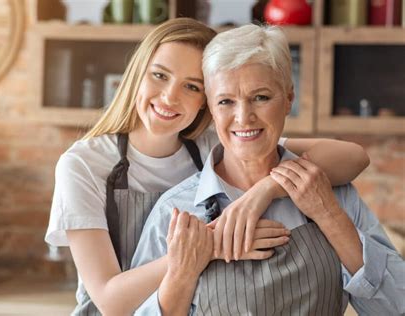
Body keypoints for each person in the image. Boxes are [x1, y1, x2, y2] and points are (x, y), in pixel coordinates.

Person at [45, 18, 370, 315]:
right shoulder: (83, 165)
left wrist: (266, 189)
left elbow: (352, 157)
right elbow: (109, 301)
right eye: (159, 75)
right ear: (136, 75)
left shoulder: (210, 144)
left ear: (209, 100)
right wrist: (208, 247)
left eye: (192, 86)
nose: (170, 97)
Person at [131, 23, 404, 315]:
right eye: (226, 101)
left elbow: (396, 307)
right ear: (211, 109)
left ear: (288, 99)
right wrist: (183, 270)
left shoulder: (331, 194)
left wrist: (329, 215)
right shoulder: (176, 211)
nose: (243, 117)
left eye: (260, 97)